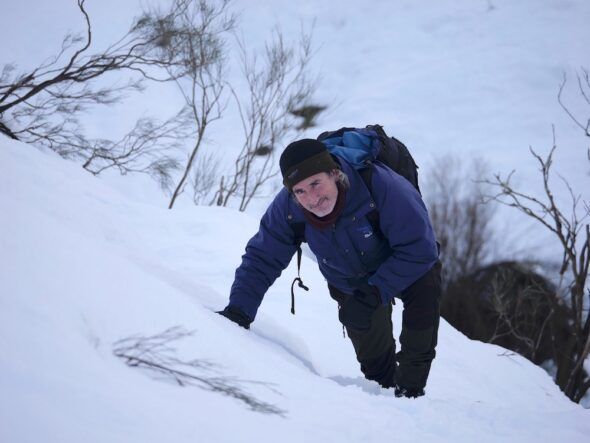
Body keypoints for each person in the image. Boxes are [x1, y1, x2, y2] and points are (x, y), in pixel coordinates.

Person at [218, 138, 442, 398]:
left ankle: (411, 391)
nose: (312, 198)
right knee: (377, 371)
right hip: (349, 278)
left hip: (404, 262)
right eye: (300, 191)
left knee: (426, 286)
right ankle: (386, 394)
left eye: (315, 183)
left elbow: (421, 249)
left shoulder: (385, 187)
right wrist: (239, 311)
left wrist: (377, 290)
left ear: (335, 174)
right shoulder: (289, 209)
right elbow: (262, 258)